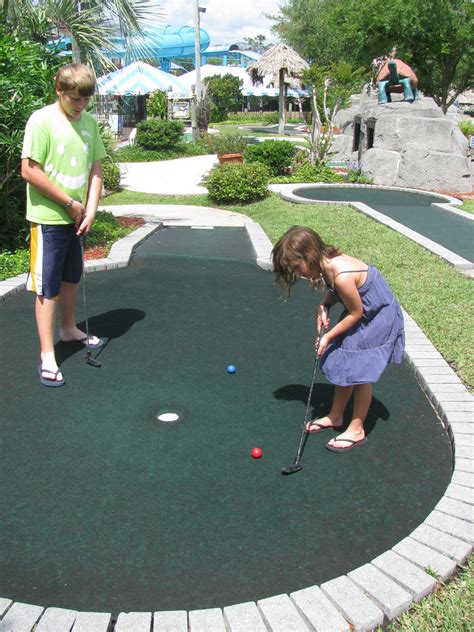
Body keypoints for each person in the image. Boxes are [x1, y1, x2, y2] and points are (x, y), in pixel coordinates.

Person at [272, 226, 405, 452]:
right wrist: (324, 304)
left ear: (310, 255)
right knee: (345, 363)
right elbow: (336, 290)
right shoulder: (327, 264)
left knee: (361, 372)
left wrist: (328, 336)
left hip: (377, 317)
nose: (298, 273)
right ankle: (336, 416)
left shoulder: (341, 273)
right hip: (364, 313)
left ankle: (357, 428)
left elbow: (355, 312)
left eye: (297, 266)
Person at [21, 63, 107, 387]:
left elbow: (96, 169)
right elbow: (29, 170)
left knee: (72, 277)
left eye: (85, 100)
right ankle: (47, 354)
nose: (80, 106)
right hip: (48, 219)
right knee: (48, 286)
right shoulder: (41, 121)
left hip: (77, 218)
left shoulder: (88, 124)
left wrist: (91, 210)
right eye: (74, 99)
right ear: (59, 89)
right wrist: (69, 203)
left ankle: (68, 329)